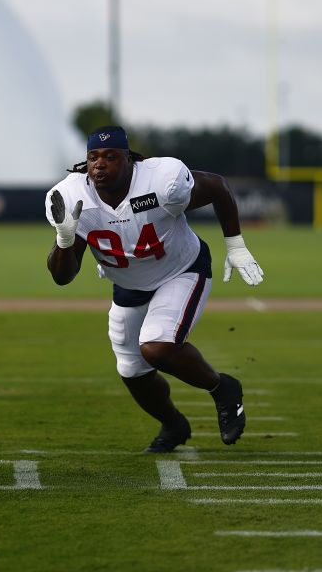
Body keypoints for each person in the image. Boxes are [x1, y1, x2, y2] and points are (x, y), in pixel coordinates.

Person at [45, 125, 265, 453]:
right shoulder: (73, 197)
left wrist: (235, 245)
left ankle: (222, 388)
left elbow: (217, 186)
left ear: (130, 160)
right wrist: (65, 238)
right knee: (132, 371)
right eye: (93, 157)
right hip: (129, 284)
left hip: (179, 271)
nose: (99, 164)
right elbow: (62, 277)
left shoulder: (161, 182)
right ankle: (173, 424)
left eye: (110, 156)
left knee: (157, 347)